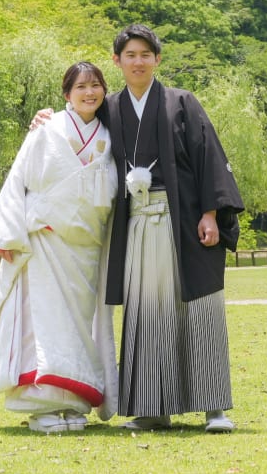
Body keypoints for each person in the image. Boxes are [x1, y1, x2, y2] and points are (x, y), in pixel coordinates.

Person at [32, 24, 244, 432]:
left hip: (183, 221)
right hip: (136, 225)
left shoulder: (182, 103)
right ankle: (151, 407)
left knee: (199, 308)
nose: (138, 61)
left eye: (146, 54)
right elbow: (77, 125)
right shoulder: (110, 108)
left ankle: (214, 407)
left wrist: (211, 214)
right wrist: (45, 118)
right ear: (117, 61)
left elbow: (208, 157)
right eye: (130, 55)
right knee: (145, 313)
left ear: (157, 60)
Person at [0, 61, 118, 434]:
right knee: (44, 324)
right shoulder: (46, 129)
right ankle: (42, 407)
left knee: (79, 328)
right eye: (81, 86)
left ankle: (74, 404)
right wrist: (8, 234)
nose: (90, 92)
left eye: (96, 85)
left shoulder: (111, 133)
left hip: (86, 248)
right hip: (46, 242)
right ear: (66, 94)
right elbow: (18, 180)